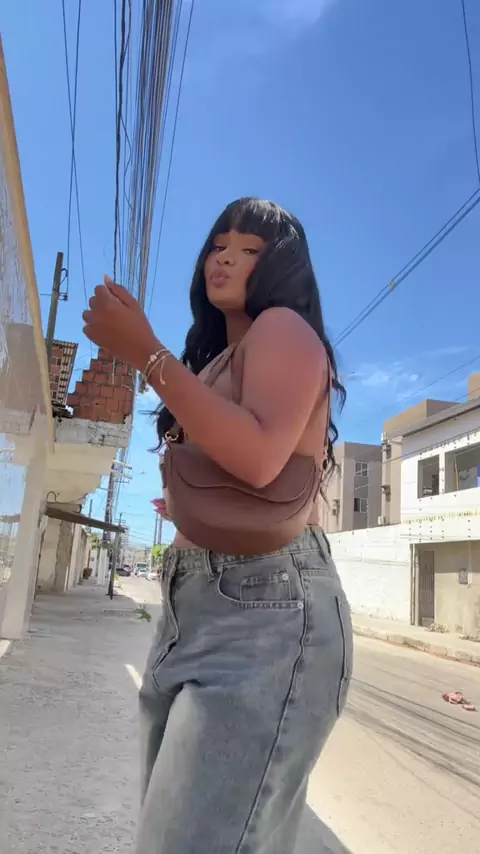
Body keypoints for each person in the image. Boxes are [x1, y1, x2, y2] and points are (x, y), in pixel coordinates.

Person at [83, 197, 353, 854]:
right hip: (196, 599)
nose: (225, 257)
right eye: (217, 245)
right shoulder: (215, 363)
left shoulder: (283, 327)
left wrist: (145, 353)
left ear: (283, 268)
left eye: (250, 249)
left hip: (265, 603)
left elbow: (259, 457)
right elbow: (233, 472)